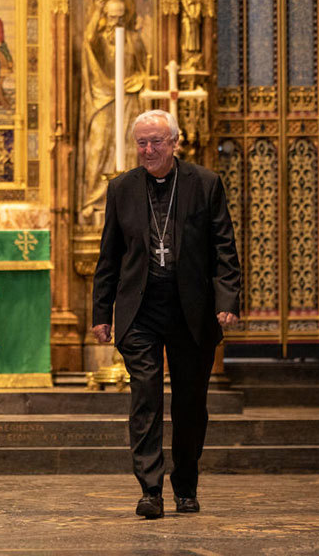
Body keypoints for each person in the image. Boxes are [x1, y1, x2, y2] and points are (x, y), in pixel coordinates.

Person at [91, 110, 241, 519]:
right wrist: (101, 313)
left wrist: (226, 302)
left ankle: (187, 486)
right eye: (141, 142)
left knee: (190, 403)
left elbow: (224, 248)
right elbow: (110, 256)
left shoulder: (205, 183)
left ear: (175, 142)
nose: (148, 149)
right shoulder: (121, 188)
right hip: (140, 308)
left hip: (190, 308)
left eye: (156, 141)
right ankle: (150, 489)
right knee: (145, 399)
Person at [79, 0, 147, 224]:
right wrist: (94, 13)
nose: (115, 23)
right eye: (110, 17)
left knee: (128, 148)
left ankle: (129, 198)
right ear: (104, 16)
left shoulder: (132, 39)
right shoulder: (97, 38)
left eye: (120, 18)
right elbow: (87, 42)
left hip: (128, 97)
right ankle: (93, 199)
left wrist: (136, 83)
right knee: (97, 146)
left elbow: (143, 68)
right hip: (101, 97)